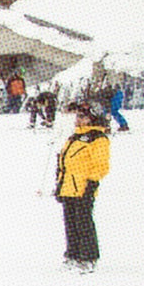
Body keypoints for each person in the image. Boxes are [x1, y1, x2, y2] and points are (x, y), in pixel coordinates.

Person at [54, 97, 112, 273]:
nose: (78, 119)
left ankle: (88, 257)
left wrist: (91, 184)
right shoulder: (75, 137)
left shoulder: (98, 138)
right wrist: (59, 184)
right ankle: (73, 254)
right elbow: (64, 161)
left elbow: (101, 164)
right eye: (77, 116)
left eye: (82, 116)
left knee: (83, 223)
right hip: (68, 187)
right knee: (70, 223)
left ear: (92, 117)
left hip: (83, 187)